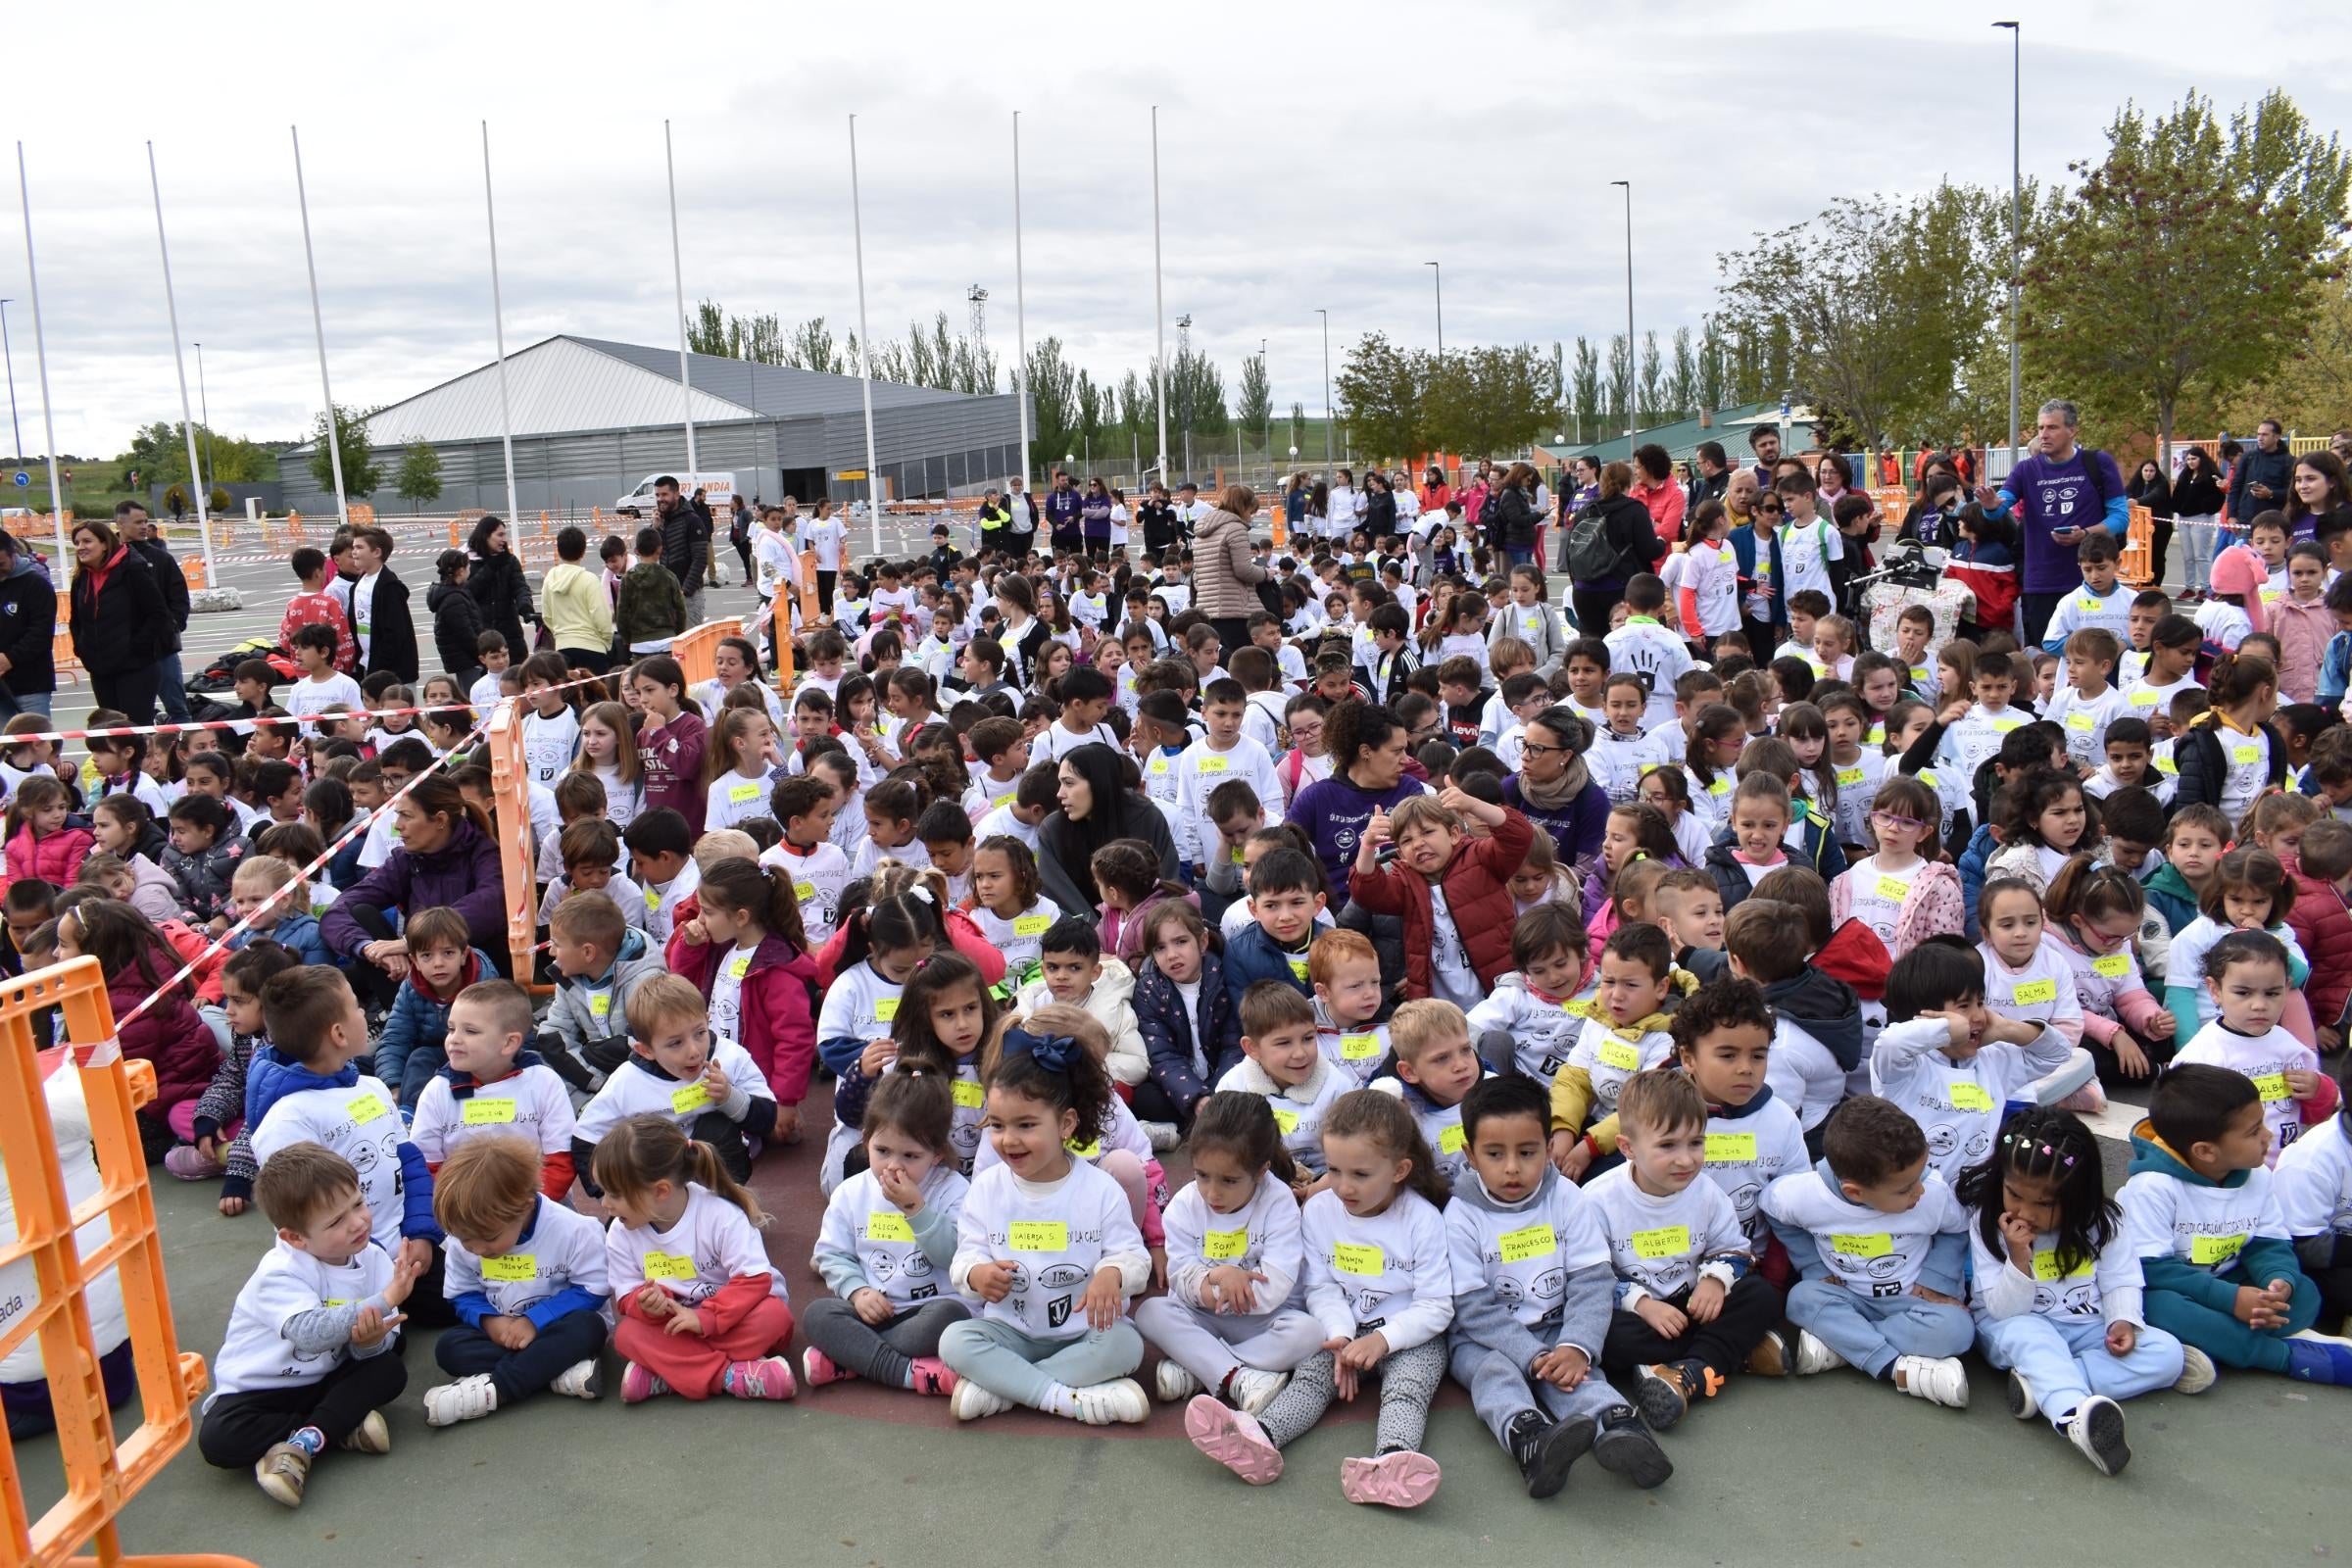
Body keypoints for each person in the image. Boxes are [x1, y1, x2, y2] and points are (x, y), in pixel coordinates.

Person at [1182, 1087, 1452, 1508]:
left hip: (1409, 1336)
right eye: (1334, 1170)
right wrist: (1342, 1335)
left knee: (1406, 1388)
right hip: (1342, 1329)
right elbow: (1320, 1286)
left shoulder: (1423, 1220)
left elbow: (1436, 1306)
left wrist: (1382, 1340)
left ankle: (1391, 1460)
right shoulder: (1320, 1209)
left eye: (1360, 1175)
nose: (1343, 1186)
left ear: (1400, 1170)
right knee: (1310, 1380)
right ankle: (1259, 1438)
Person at [938, 1024, 1151, 1424]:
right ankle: (1068, 1399)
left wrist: (1113, 1274)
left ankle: (1006, 1389)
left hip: (1084, 1332)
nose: (1008, 1139)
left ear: (1066, 1124)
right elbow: (965, 1256)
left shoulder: (1100, 1189)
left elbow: (1133, 1258)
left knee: (1126, 1345)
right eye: (997, 1125)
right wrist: (976, 1273)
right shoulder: (986, 1188)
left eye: (1026, 1125)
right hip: (1011, 1334)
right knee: (954, 1341)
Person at [1956, 1106, 2186, 1475]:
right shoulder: (1989, 1223)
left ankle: (2040, 1385)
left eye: (2044, 1203)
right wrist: (2019, 1259)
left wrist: (2123, 1321)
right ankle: (2072, 1416)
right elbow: (2003, 1311)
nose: (2025, 1212)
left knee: (2168, 1355)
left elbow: (2121, 1278)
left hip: (2086, 1327)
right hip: (2014, 1326)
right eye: (2013, 1194)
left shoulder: (2105, 1222)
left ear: (2078, 1195)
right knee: (2035, 1338)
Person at [197, 1144, 424, 1508]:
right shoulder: (279, 1271)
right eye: (335, 1221)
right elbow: (310, 1332)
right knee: (219, 1440)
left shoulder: (375, 1259)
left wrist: (369, 1343)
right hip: (261, 1391)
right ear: (295, 1238)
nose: (357, 1222)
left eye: (357, 1203)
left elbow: (380, 1341)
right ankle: (334, 1428)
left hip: (323, 1378)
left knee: (389, 1368)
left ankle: (307, 1439)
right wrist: (386, 1300)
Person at [2121, 1062, 2352, 1386]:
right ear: (2205, 1151)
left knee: (2306, 1293)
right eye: (2254, 1131)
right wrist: (2231, 1300)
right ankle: (2282, 1357)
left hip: (2232, 1281)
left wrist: (2277, 1281)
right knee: (2159, 1309)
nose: (2268, 1135)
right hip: (2177, 1290)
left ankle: (2218, 1345)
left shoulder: (2256, 1175)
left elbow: (2267, 1243)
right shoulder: (2152, 1189)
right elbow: (2154, 1270)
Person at [1589, 1070, 1780, 1427]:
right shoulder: (1597, 1200)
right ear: (1628, 1147)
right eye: (1667, 1145)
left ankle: (1684, 1371)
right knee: (1608, 1338)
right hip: (1640, 1315)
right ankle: (1725, 1354)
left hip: (1697, 1305)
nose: (1686, 1159)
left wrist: (1715, 1281)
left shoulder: (1707, 1193)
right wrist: (1643, 1306)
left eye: (1696, 1142)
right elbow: (1592, 1278)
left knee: (1762, 1296)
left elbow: (1735, 1251)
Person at [1762, 1094, 1975, 1407]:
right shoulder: (1805, 1195)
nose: (1919, 1191)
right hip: (1847, 1298)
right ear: (1855, 1192)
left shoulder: (1933, 1195)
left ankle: (1841, 1347)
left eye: (1920, 1175)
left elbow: (1957, 1230)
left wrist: (1935, 1280)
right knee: (1801, 1299)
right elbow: (1773, 1210)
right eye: (1905, 1189)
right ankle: (1895, 1368)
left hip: (1911, 1304)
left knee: (1957, 1330)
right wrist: (1813, 1267)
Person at [596, 1112, 796, 1402]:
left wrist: (705, 1319)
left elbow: (754, 1281)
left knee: (775, 1318)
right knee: (627, 1335)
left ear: (661, 1190)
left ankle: (669, 1373)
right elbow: (627, 1295)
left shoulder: (720, 1215)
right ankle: (733, 1377)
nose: (605, 1204)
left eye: (614, 1194)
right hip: (676, 1325)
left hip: (733, 1317)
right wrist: (648, 1305)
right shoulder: (620, 1232)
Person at [419, 1131, 610, 1427]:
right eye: (466, 1240)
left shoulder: (575, 1230)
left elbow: (593, 1290)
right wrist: (490, 1323)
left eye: (488, 1238)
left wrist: (535, 1320)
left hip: (559, 1326)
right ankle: (554, 1372)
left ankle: (497, 1390)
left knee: (589, 1328)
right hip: (506, 1333)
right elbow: (462, 1294)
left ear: (525, 1205)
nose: (477, 1249)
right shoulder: (464, 1236)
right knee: (449, 1347)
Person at [802, 1070, 972, 1396]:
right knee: (817, 1315)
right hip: (871, 1310)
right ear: (866, 1140)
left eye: (910, 1156)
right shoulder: (851, 1192)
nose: (894, 1166)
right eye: (882, 1151)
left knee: (953, 1318)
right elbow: (832, 1255)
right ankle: (909, 1373)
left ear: (936, 1154)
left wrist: (917, 1211)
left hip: (931, 1310)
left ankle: (851, 1359)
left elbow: (955, 1257)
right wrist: (858, 1292)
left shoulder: (953, 1190)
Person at [321, 776, 506, 1002]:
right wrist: (371, 949)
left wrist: (410, 942)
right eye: (397, 814)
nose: (397, 825)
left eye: (406, 815)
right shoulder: (406, 859)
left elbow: (490, 905)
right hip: (418, 969)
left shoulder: (486, 853)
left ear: (440, 820)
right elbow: (339, 909)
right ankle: (395, 1011)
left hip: (479, 977)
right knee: (358, 917)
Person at [1975, 399, 2129, 647]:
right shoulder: (2026, 469)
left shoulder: (2098, 462)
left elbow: (2120, 518)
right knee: (2046, 658)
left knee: (2093, 654)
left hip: (2089, 581)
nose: (2044, 435)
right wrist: (1991, 506)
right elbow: (2000, 505)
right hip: (2041, 583)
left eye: (2052, 428)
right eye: (2040, 428)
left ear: (2072, 430)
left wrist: (2086, 534)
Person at [1036, 743, 1180, 920]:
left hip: (1151, 927)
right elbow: (1058, 896)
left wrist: (1140, 927)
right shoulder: (1052, 831)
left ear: (1099, 783)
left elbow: (1167, 884)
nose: (1060, 794)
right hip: (1082, 939)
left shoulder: (1147, 817)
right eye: (1060, 783)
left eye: (1069, 783)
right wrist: (1097, 934)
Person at [67, 517, 170, 724]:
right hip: (100, 668)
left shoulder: (132, 570)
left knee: (135, 731)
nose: (81, 547)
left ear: (104, 543)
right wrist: (82, 649)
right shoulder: (81, 578)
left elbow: (159, 613)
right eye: (77, 543)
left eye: (87, 541)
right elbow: (76, 620)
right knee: (109, 731)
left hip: (136, 667)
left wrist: (135, 647)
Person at [114, 502, 194, 723]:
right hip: (126, 650)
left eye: (145, 521)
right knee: (132, 713)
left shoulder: (160, 558)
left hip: (162, 648)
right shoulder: (109, 560)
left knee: (177, 707)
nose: (144, 527)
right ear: (120, 523)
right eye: (138, 522)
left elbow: (179, 598)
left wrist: (173, 626)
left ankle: (185, 752)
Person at [1565, 461, 1666, 636]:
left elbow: (1571, 551)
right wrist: (1661, 542)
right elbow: (1650, 550)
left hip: (1584, 590)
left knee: (1592, 645)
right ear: (1629, 483)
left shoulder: (1586, 511)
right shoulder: (1634, 510)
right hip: (1618, 587)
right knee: (1624, 643)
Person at [1193, 483, 1271, 657]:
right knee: (1246, 661)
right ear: (1242, 506)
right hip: (1235, 609)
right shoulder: (1235, 528)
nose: (1250, 518)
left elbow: (1197, 577)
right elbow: (1244, 570)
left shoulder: (1201, 533)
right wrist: (1266, 573)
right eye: (1250, 511)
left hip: (1207, 609)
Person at [541, 526, 615, 673]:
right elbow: (602, 617)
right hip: (592, 648)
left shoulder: (550, 579)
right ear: (583, 551)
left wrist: (560, 635)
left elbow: (547, 616)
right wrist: (606, 641)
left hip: (562, 648)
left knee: (568, 695)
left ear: (559, 551)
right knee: (597, 695)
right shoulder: (589, 579)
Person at [0, 531, 56, 721]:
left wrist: (10, 658)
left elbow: (41, 631)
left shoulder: (35, 584)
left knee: (35, 742)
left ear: (12, 552)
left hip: (31, 684)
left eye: (1, 564)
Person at [651, 476, 710, 626]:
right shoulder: (659, 520)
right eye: (657, 495)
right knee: (670, 644)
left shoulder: (691, 520)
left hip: (689, 595)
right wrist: (654, 529)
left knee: (689, 642)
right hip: (665, 594)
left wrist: (685, 591)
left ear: (676, 494)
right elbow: (647, 553)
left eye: (664, 494)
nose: (660, 499)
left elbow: (701, 558)